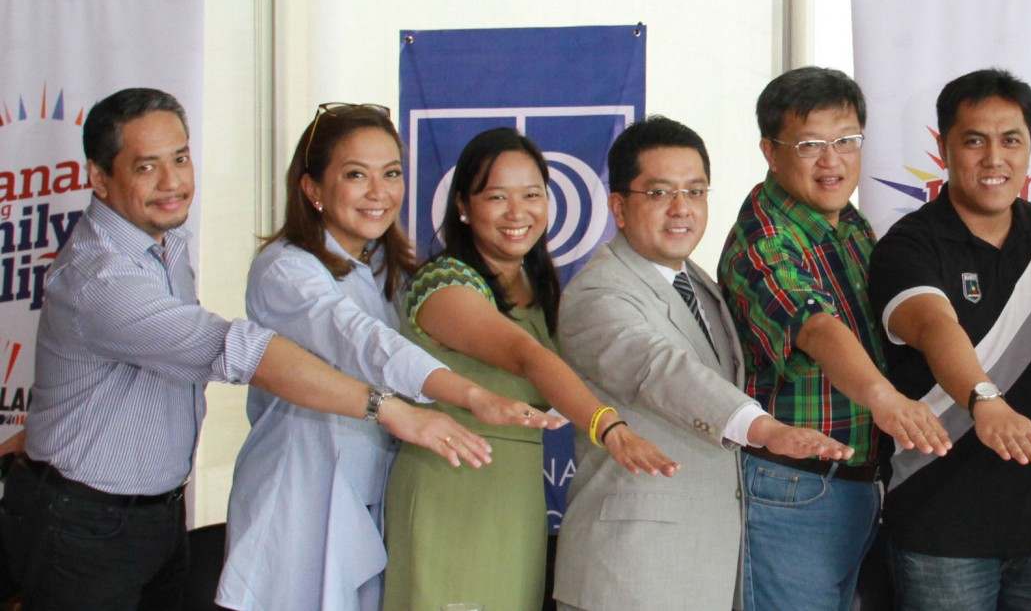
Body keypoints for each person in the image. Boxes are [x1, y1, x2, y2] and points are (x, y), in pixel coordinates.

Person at [2, 87, 491, 611]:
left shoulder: (163, 241)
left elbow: (108, 384)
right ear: (99, 177)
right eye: (147, 167)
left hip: (150, 514)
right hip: (87, 523)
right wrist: (393, 409)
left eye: (181, 158)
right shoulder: (103, 276)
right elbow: (244, 350)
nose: (173, 182)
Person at [218, 103, 561, 611]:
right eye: (356, 175)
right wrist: (467, 395)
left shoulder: (390, 267)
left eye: (392, 174)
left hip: (375, 499)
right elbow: (360, 341)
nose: (379, 193)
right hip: (303, 496)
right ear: (312, 188)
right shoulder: (286, 269)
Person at [551, 116, 853, 611]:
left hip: (704, 564)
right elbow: (660, 369)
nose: (681, 210)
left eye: (695, 192)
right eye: (659, 194)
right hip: (629, 574)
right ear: (619, 207)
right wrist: (762, 428)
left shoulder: (700, 284)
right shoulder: (598, 292)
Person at [382, 127, 677, 611]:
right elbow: (525, 356)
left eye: (532, 195)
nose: (518, 213)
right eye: (496, 196)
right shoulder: (443, 283)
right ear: (462, 205)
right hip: (451, 489)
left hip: (516, 498)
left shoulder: (540, 286)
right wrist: (611, 428)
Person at [720, 66, 951, 611]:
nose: (833, 160)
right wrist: (885, 399)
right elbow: (816, 326)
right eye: (811, 144)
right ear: (770, 151)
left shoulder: (849, 223)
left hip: (858, 484)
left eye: (846, 140)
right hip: (793, 490)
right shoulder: (764, 238)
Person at [867, 68, 1031, 610]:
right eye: (974, 141)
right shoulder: (909, 244)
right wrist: (985, 399)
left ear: (1030, 146)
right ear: (944, 148)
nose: (995, 159)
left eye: (1011, 140)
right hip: (941, 533)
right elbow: (936, 326)